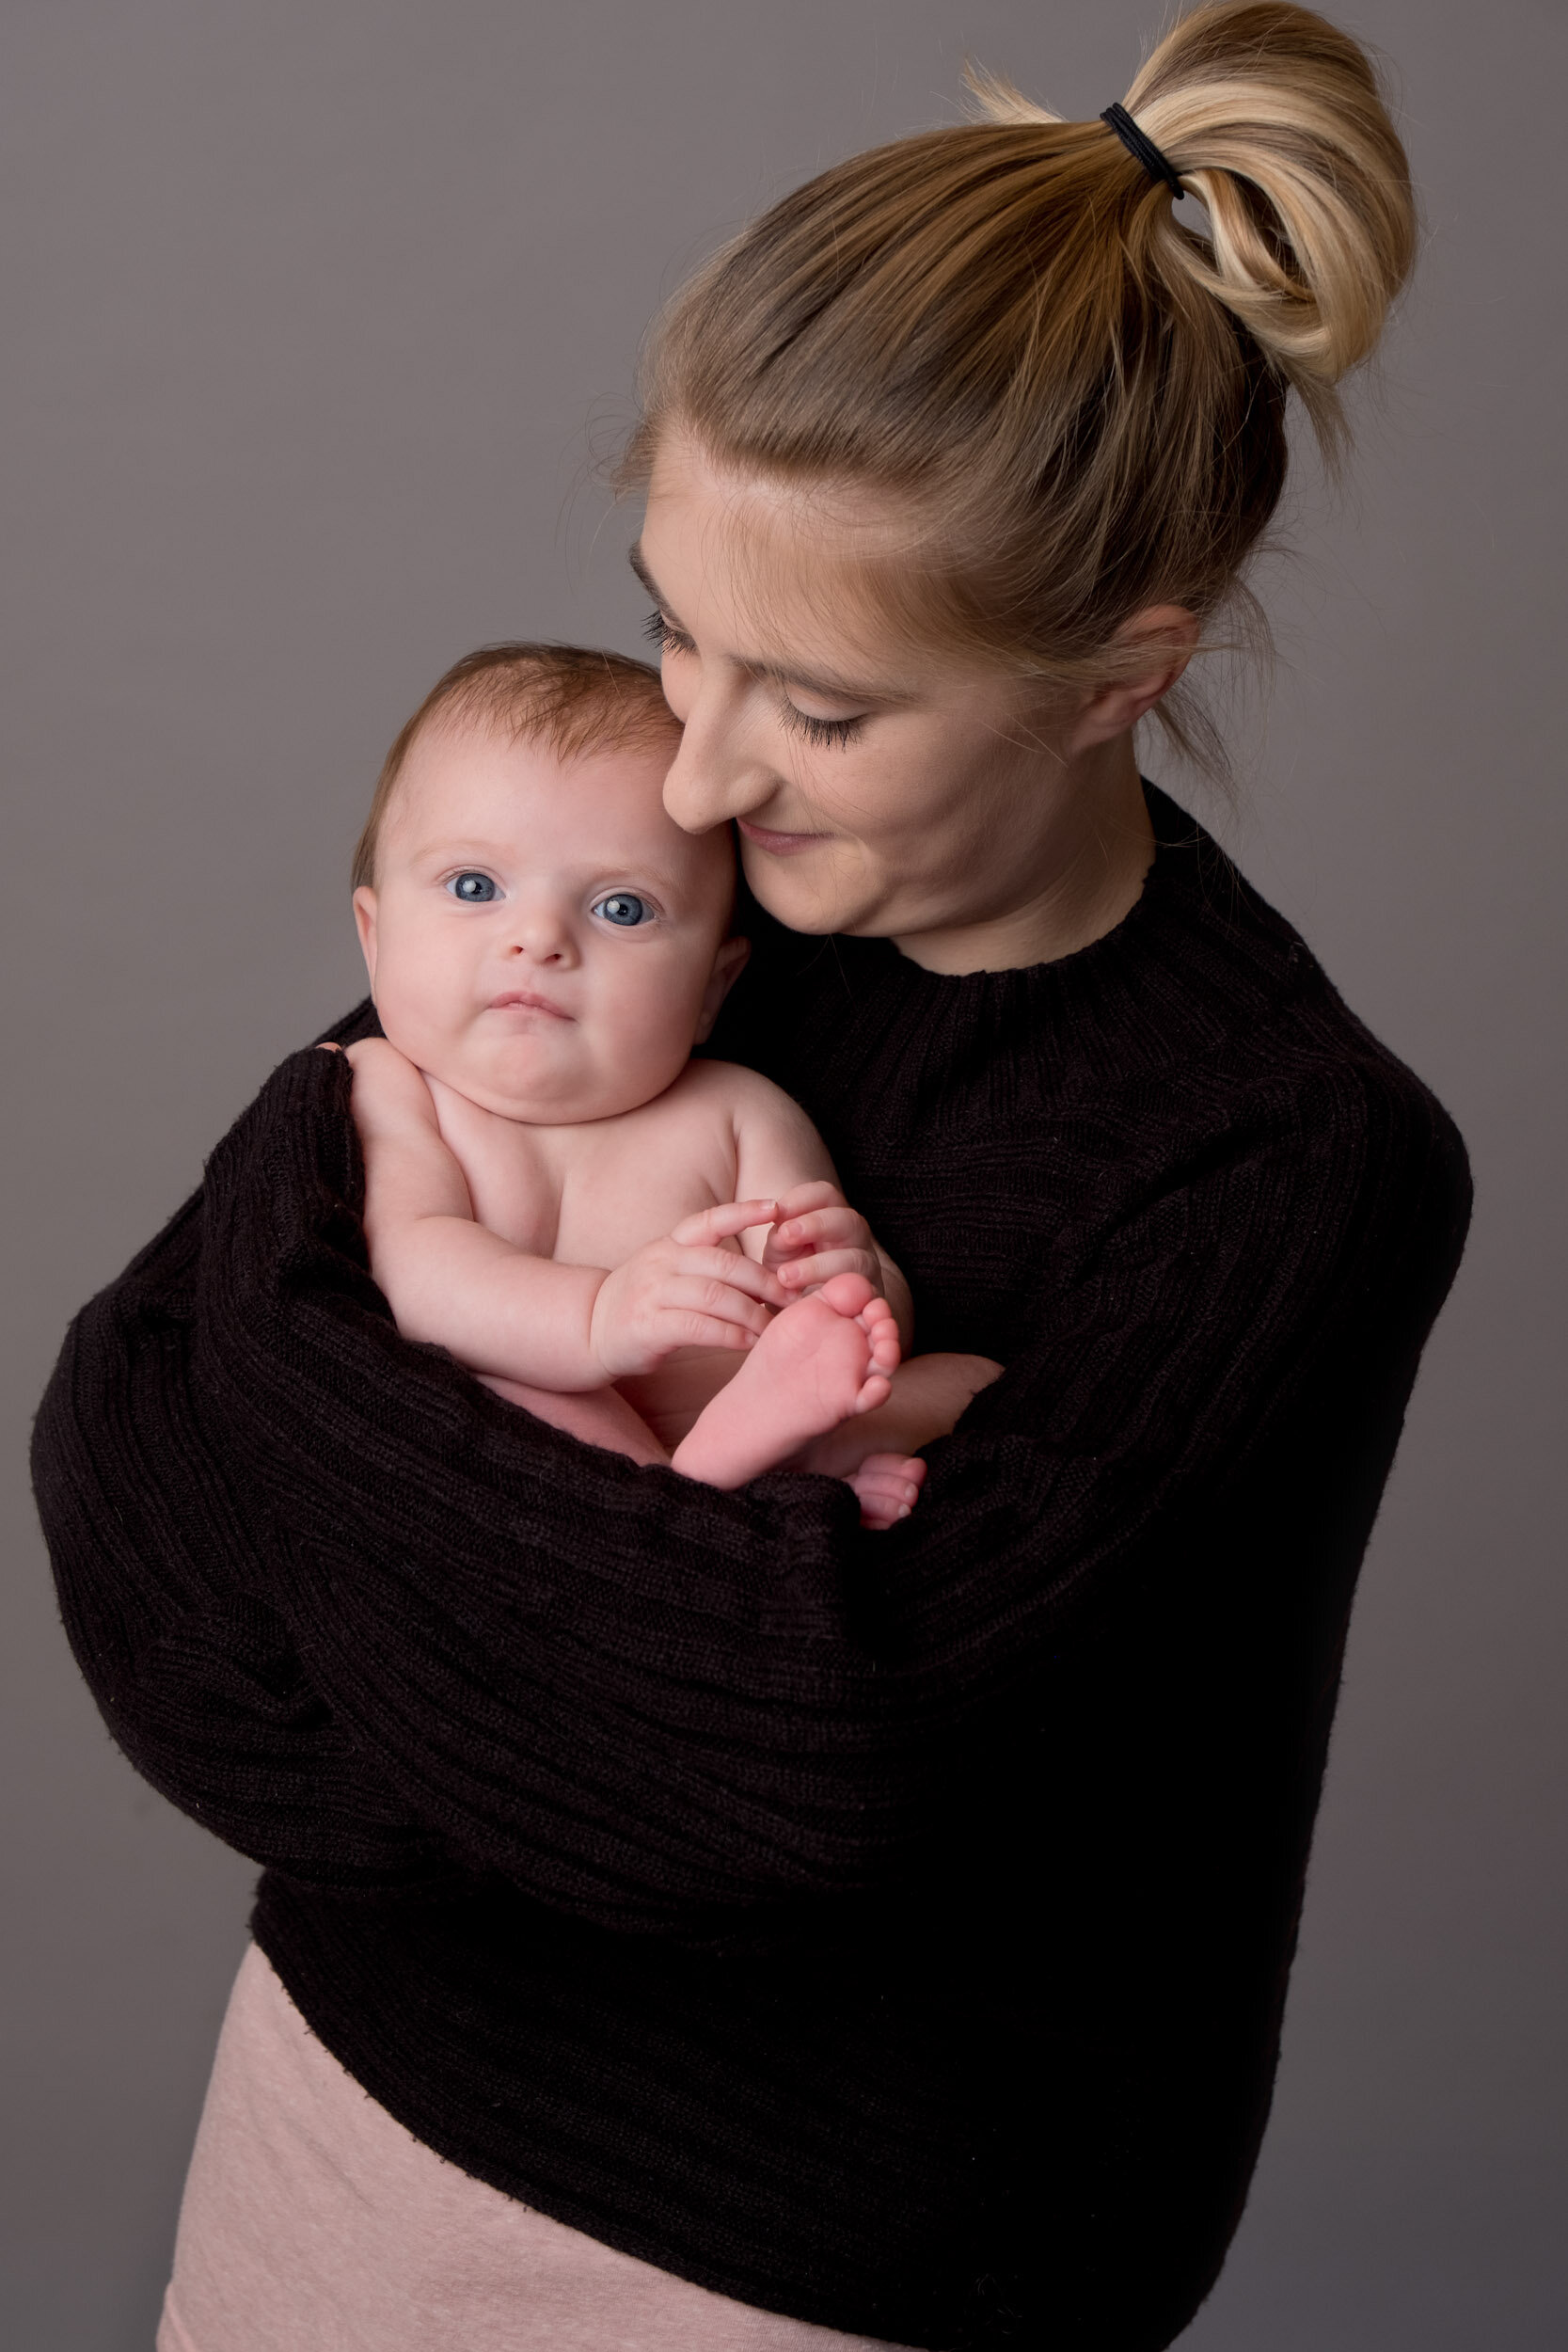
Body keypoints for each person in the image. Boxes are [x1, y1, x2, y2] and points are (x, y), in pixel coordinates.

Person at [30, 7, 1473, 2348]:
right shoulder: (643, 902)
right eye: (671, 624)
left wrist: (411, 1591)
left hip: (822, 2258)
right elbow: (128, 1448)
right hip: (337, 2108)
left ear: (1117, 674)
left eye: (814, 702)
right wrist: (538, 1728)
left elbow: (808, 1771)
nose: (689, 772)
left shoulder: (1286, 1162)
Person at [337, 636, 997, 1518]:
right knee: (499, 1376)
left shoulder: (736, 1111)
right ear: (375, 940)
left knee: (969, 1381)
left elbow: (845, 1311)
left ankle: (770, 1460)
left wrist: (846, 1280)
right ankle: (701, 1497)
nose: (538, 939)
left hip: (745, 1408)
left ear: (710, 990)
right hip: (547, 1455)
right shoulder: (389, 1087)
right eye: (472, 887)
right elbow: (415, 1267)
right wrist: (598, 1321)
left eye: (621, 908)